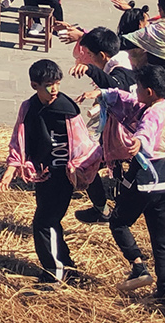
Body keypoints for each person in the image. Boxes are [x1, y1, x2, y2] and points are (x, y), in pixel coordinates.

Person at [0, 59, 100, 283]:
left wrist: (80, 171)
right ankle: (67, 267)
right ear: (35, 85)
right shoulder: (29, 107)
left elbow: (84, 145)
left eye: (57, 84)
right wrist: (11, 170)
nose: (54, 90)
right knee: (49, 221)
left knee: (45, 223)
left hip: (62, 177)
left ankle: (54, 273)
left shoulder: (67, 110)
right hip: (43, 176)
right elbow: (19, 139)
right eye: (48, 85)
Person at [79, 64, 165, 297]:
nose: (135, 90)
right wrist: (102, 93)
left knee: (118, 221)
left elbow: (147, 128)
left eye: (139, 87)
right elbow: (126, 98)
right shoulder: (156, 105)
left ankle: (138, 267)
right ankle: (163, 291)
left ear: (149, 91)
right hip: (163, 182)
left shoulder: (153, 113)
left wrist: (139, 141)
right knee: (160, 239)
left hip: (146, 178)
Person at [69, 27, 138, 225]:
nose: (89, 60)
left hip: (123, 137)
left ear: (102, 55)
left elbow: (116, 85)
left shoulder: (120, 71)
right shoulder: (128, 61)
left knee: (84, 164)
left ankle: (103, 211)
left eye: (90, 56)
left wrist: (91, 71)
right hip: (128, 133)